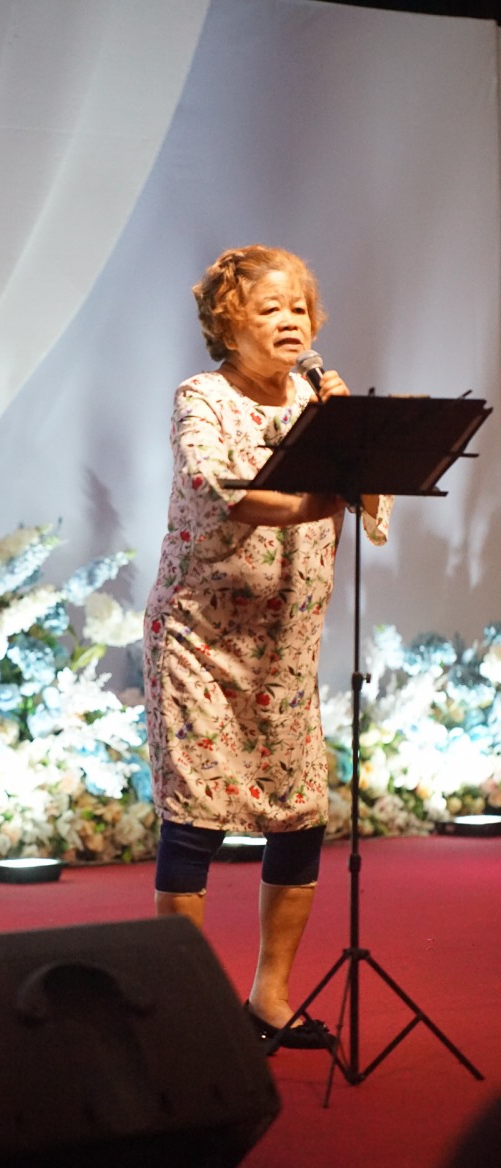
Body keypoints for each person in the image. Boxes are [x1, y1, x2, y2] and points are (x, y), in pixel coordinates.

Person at [143, 244, 391, 1052]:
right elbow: (219, 488)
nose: (292, 321)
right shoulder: (202, 398)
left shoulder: (318, 401)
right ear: (228, 323)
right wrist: (318, 501)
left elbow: (370, 502)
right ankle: (186, 1011)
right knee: (195, 819)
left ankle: (269, 998)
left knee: (299, 815)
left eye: (299, 308)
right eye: (270, 308)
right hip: (201, 641)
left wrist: (353, 438)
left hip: (286, 650)